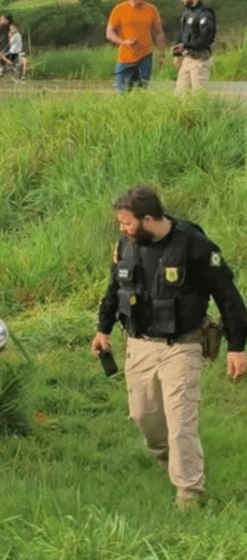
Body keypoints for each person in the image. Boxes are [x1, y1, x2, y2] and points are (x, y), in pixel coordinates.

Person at [91, 185, 247, 511]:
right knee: (143, 416)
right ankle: (166, 458)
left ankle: (189, 495)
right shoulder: (126, 246)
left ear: (148, 219)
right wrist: (103, 329)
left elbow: (228, 298)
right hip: (139, 344)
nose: (122, 229)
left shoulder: (194, 245)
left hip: (183, 345)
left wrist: (237, 346)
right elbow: (114, 289)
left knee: (181, 424)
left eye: (127, 222)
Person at [105, 0, 167, 93]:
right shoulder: (119, 9)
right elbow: (109, 33)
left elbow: (158, 32)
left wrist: (162, 53)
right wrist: (124, 42)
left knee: (141, 92)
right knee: (123, 94)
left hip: (145, 58)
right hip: (125, 59)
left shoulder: (151, 9)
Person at [173, 0, 216, 94]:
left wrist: (186, 46)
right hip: (187, 59)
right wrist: (177, 54)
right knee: (181, 95)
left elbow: (206, 39)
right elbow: (181, 33)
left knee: (199, 95)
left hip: (200, 59)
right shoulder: (187, 12)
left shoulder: (205, 13)